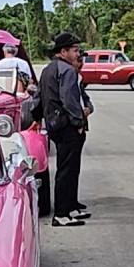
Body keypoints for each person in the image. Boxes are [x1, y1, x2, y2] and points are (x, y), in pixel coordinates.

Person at [39, 32, 90, 227]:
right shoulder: (67, 71)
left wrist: (37, 118)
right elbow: (69, 100)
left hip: (54, 124)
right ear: (63, 52)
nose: (78, 54)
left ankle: (70, 207)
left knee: (67, 168)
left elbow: (40, 97)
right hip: (67, 126)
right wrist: (78, 123)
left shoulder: (48, 70)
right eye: (75, 50)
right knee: (66, 170)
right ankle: (61, 213)